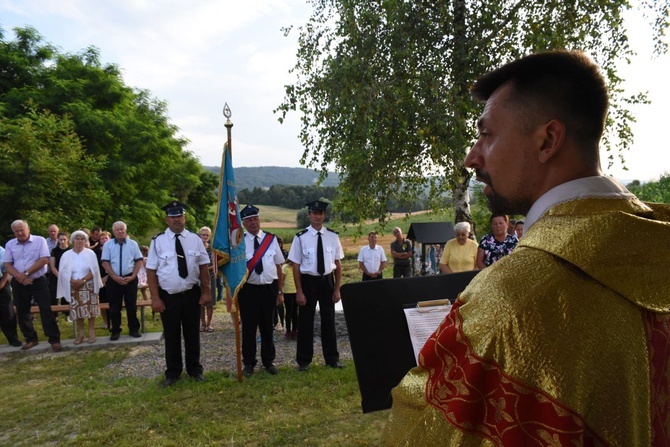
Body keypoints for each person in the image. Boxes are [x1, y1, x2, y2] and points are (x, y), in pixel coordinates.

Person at [384, 50, 670, 446]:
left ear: (548, 140)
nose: (472, 157)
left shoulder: (509, 302)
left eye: (487, 134)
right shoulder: (657, 245)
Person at [146, 201, 211, 388]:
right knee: (172, 335)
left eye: (179, 216)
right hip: (169, 296)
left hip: (192, 294)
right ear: (167, 220)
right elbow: (151, 271)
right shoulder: (157, 241)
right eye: (172, 217)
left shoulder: (195, 240)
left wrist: (206, 292)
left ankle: (195, 370)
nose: (176, 220)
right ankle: (173, 373)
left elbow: (203, 267)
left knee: (193, 334)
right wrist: (155, 297)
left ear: (185, 218)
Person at [288, 200, 344, 372]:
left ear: (324, 215)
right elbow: (295, 265)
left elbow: (338, 264)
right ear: (309, 215)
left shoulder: (333, 237)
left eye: (321, 213)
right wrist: (299, 290)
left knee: (329, 320)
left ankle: (332, 359)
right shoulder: (300, 237)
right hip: (308, 281)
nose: (318, 216)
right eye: (314, 213)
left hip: (327, 281)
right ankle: (304, 361)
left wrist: (337, 289)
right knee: (306, 321)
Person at [237, 205, 285, 377]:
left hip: (269, 288)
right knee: (249, 328)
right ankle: (249, 363)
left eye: (255, 219)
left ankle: (268, 361)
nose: (253, 223)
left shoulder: (270, 239)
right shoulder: (238, 242)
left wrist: (280, 291)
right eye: (249, 220)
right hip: (248, 290)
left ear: (259, 220)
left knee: (267, 327)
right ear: (243, 223)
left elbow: (278, 266)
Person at [2, 220, 62, 351]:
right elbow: (7, 264)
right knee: (22, 311)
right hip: (19, 282)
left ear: (28, 229)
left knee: (46, 310)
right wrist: (20, 277)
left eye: (21, 230)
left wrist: (26, 273)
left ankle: (54, 339)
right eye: (16, 231)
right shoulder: (10, 244)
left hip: (38, 280)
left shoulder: (40, 241)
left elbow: (44, 259)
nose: (19, 233)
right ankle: (30, 338)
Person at [56, 231, 103, 344]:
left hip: (88, 284)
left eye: (82, 239)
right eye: (77, 239)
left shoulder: (90, 253)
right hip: (73, 285)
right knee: (77, 310)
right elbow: (62, 272)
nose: (80, 241)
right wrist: (73, 281)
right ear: (72, 240)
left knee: (91, 310)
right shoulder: (66, 255)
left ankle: (91, 332)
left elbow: (95, 270)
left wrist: (83, 280)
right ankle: (81, 333)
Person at [101, 221, 144, 340]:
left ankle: (134, 329)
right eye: (117, 230)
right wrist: (114, 277)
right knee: (114, 307)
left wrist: (133, 276)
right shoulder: (108, 245)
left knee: (131, 306)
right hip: (114, 279)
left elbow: (139, 260)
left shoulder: (133, 244)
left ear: (125, 231)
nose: (120, 232)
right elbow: (105, 262)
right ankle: (115, 330)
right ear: (113, 231)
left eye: (122, 229)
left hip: (130, 278)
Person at [0, 244, 22, 347]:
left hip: (2, 284)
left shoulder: (1, 251)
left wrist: (2, 284)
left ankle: (13, 339)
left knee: (7, 313)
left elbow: (7, 269)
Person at [197, 226, 217, 333]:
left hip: (210, 276)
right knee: (200, 302)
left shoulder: (212, 249)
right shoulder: (196, 248)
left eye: (207, 235)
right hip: (198, 277)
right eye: (203, 234)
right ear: (199, 235)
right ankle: (202, 323)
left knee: (210, 302)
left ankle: (209, 323)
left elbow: (215, 264)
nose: (205, 237)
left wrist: (205, 269)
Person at [49, 231, 71, 320]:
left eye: (64, 239)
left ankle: (68, 314)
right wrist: (59, 276)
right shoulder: (54, 251)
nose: (62, 241)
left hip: (68, 276)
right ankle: (55, 316)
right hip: (56, 276)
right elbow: (52, 266)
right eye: (60, 239)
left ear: (68, 240)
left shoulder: (70, 250)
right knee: (53, 296)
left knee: (67, 296)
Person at [95, 231, 111, 329]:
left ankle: (113, 322)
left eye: (106, 238)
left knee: (112, 301)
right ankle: (106, 322)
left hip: (112, 277)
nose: (104, 240)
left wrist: (108, 276)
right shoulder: (96, 251)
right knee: (101, 301)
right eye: (102, 238)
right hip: (99, 278)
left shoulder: (113, 249)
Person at [282, 257, 298, 339]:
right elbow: (282, 280)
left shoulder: (297, 267)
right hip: (288, 292)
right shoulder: (285, 267)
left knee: (295, 311)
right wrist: (281, 292)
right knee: (289, 311)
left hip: (296, 291)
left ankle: (295, 329)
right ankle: (288, 330)